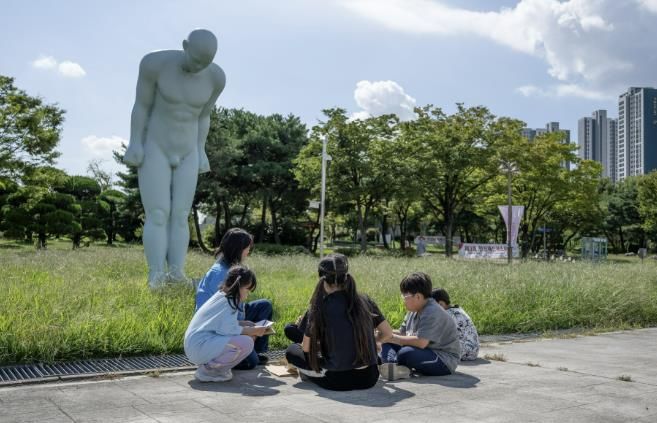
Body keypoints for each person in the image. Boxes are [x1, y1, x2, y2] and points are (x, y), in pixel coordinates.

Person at [123, 29, 226, 288]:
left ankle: (176, 273)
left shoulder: (216, 78)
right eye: (196, 60)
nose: (199, 67)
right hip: (156, 146)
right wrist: (135, 142)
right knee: (158, 213)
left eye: (206, 63)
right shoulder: (154, 64)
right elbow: (141, 105)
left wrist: (201, 149)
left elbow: (204, 115)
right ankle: (156, 274)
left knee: (181, 215)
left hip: (188, 150)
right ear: (185, 46)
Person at [285, 254, 388, 391]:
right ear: (346, 276)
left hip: (338, 380)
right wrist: (371, 343)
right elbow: (388, 333)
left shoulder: (318, 306)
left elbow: (306, 349)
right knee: (293, 331)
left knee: (291, 350)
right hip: (369, 378)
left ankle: (310, 373)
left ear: (322, 279)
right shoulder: (365, 300)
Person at [195, 228, 273, 368]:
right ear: (238, 249)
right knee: (250, 363)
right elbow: (223, 319)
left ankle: (256, 351)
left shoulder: (228, 266)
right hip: (214, 328)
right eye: (247, 248)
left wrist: (247, 325)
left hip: (230, 317)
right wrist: (248, 331)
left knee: (264, 305)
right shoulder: (221, 274)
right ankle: (230, 356)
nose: (249, 251)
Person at [184, 266, 268, 382]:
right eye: (247, 290)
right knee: (247, 342)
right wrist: (253, 331)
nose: (248, 294)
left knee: (243, 340)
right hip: (199, 347)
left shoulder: (222, 296)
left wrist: (243, 323)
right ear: (237, 285)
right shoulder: (229, 301)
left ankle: (212, 368)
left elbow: (221, 323)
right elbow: (227, 329)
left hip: (196, 345)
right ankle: (209, 371)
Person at [380, 272, 460, 380]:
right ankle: (391, 367)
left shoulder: (432, 311)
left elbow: (421, 342)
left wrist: (390, 337)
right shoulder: (414, 310)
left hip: (443, 359)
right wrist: (385, 333)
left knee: (406, 353)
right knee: (386, 340)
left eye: (405, 296)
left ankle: (394, 366)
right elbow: (403, 333)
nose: (403, 300)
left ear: (417, 296)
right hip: (424, 351)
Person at [431, 288, 480, 361]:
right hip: (473, 351)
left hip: (465, 352)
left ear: (441, 304)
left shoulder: (447, 315)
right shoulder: (456, 310)